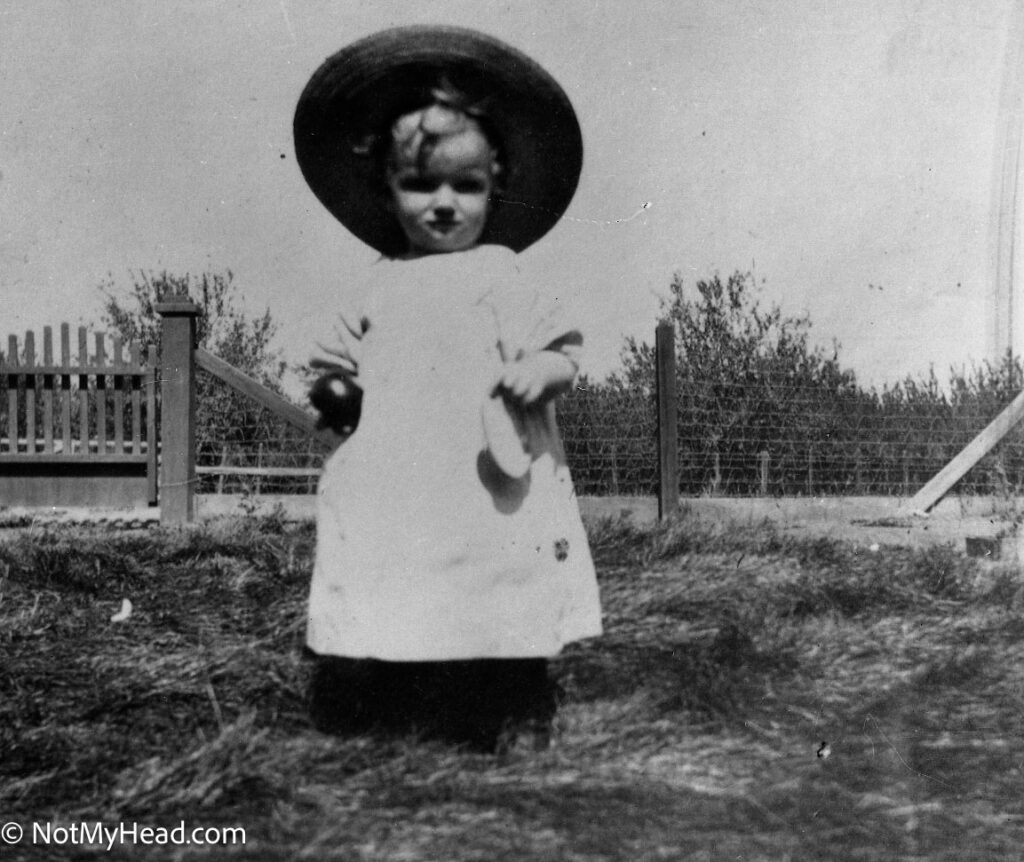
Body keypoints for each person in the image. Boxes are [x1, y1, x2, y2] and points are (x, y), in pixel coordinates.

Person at [293, 25, 603, 752]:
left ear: (493, 185)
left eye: (464, 186)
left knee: (494, 572)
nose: (443, 204)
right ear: (385, 187)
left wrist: (542, 371)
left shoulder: (500, 271)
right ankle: (397, 695)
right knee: (399, 570)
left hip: (485, 467)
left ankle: (498, 704)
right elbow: (325, 366)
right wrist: (332, 394)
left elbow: (563, 351)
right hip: (399, 471)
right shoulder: (377, 283)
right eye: (419, 184)